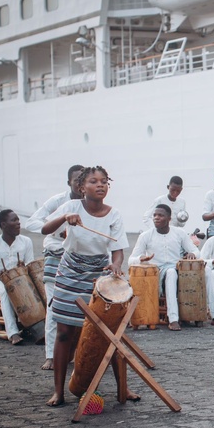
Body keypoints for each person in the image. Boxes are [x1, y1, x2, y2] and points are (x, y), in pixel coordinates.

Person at [41, 166, 133, 407]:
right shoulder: (72, 206)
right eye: (94, 181)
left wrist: (116, 265)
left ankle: (123, 388)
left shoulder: (114, 214)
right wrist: (64, 218)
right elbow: (44, 229)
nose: (100, 185)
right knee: (64, 332)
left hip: (98, 274)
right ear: (82, 187)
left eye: (104, 181)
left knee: (109, 333)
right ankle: (58, 392)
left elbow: (117, 250)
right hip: (70, 271)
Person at [129, 204, 214, 330]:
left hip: (179, 269)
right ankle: (173, 319)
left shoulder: (179, 233)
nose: (156, 218)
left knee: (207, 270)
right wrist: (140, 258)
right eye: (154, 215)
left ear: (169, 219)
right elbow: (130, 260)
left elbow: (195, 251)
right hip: (159, 273)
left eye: (160, 215)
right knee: (171, 272)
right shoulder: (145, 236)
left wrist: (192, 254)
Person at [24, 164, 84, 369]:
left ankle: (81, 353)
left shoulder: (91, 203)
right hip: (56, 254)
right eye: (77, 180)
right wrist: (56, 229)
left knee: (82, 306)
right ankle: (51, 355)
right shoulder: (58, 201)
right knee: (53, 305)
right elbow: (32, 222)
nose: (80, 184)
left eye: (84, 180)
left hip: (80, 258)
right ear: (69, 182)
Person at [0, 209, 36, 346]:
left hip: (22, 280)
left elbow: (31, 265)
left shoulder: (26, 241)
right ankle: (13, 333)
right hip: (0, 283)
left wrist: (24, 267)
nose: (18, 223)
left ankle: (37, 327)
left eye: (18, 220)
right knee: (7, 290)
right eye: (14, 220)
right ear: (3, 225)